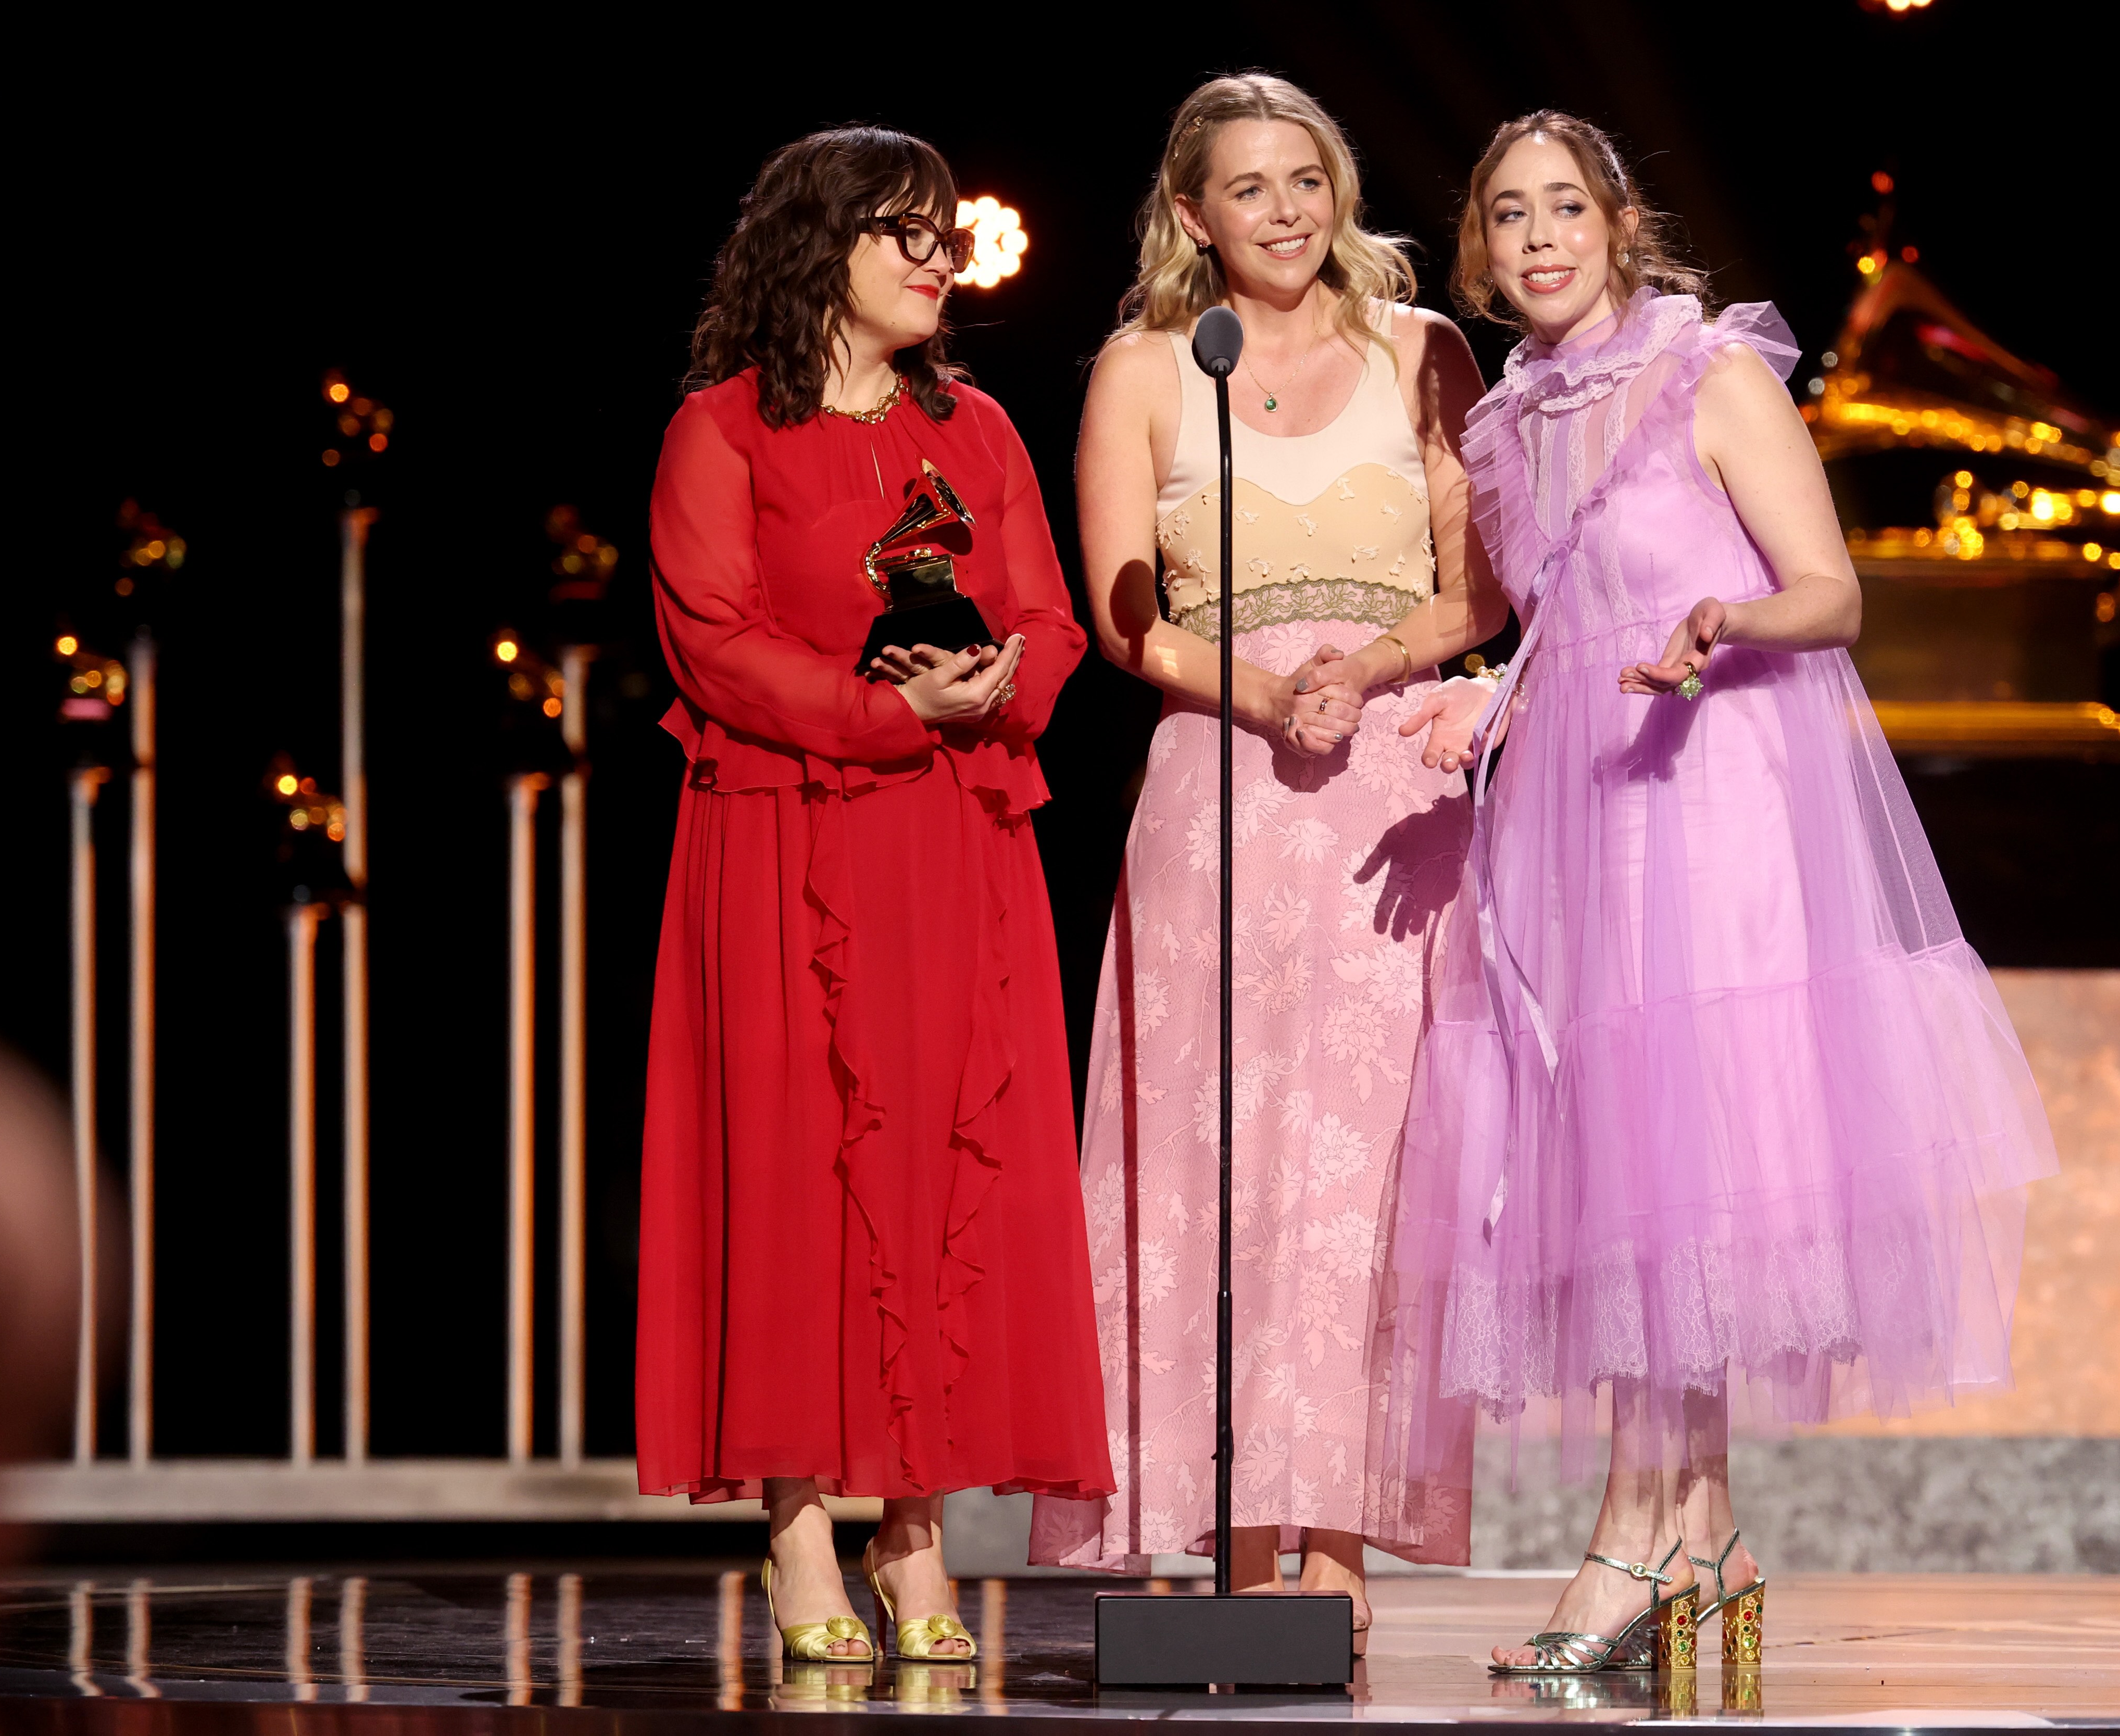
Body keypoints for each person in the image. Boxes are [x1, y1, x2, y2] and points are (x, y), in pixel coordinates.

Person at [1387, 112, 2058, 1675]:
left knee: (1684, 1167)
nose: (1541, 235)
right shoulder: (1505, 425)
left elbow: (1836, 595)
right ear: (1482, 249)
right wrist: (1478, 696)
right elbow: (1548, 617)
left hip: (1716, 806)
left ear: (1622, 226)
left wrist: (1725, 619)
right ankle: (1706, 1535)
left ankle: (1632, 1537)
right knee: (1634, 1176)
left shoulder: (1715, 376)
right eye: (1510, 214)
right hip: (1577, 817)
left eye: (1568, 206)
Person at [1025, 75, 1509, 1646]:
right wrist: (1259, 688)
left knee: (1363, 1165)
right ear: (1193, 215)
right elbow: (1121, 614)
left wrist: (1360, 677)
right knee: (1219, 1156)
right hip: (1217, 780)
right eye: (1251, 187)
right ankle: (1234, 1547)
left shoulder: (1422, 349)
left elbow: (1475, 594)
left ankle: (1343, 1549)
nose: (1289, 209)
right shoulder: (1149, 366)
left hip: (1382, 789)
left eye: (1309, 178)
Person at [637, 126, 1112, 1664]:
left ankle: (916, 1543)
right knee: (796, 1171)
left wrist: (994, 681)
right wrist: (882, 713)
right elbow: (711, 633)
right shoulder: (724, 429)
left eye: (939, 236)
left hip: (954, 839)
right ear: (815, 249)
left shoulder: (972, 427)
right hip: (785, 835)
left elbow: (1048, 611)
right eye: (898, 234)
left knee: (932, 1174)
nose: (932, 259)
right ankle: (798, 1540)